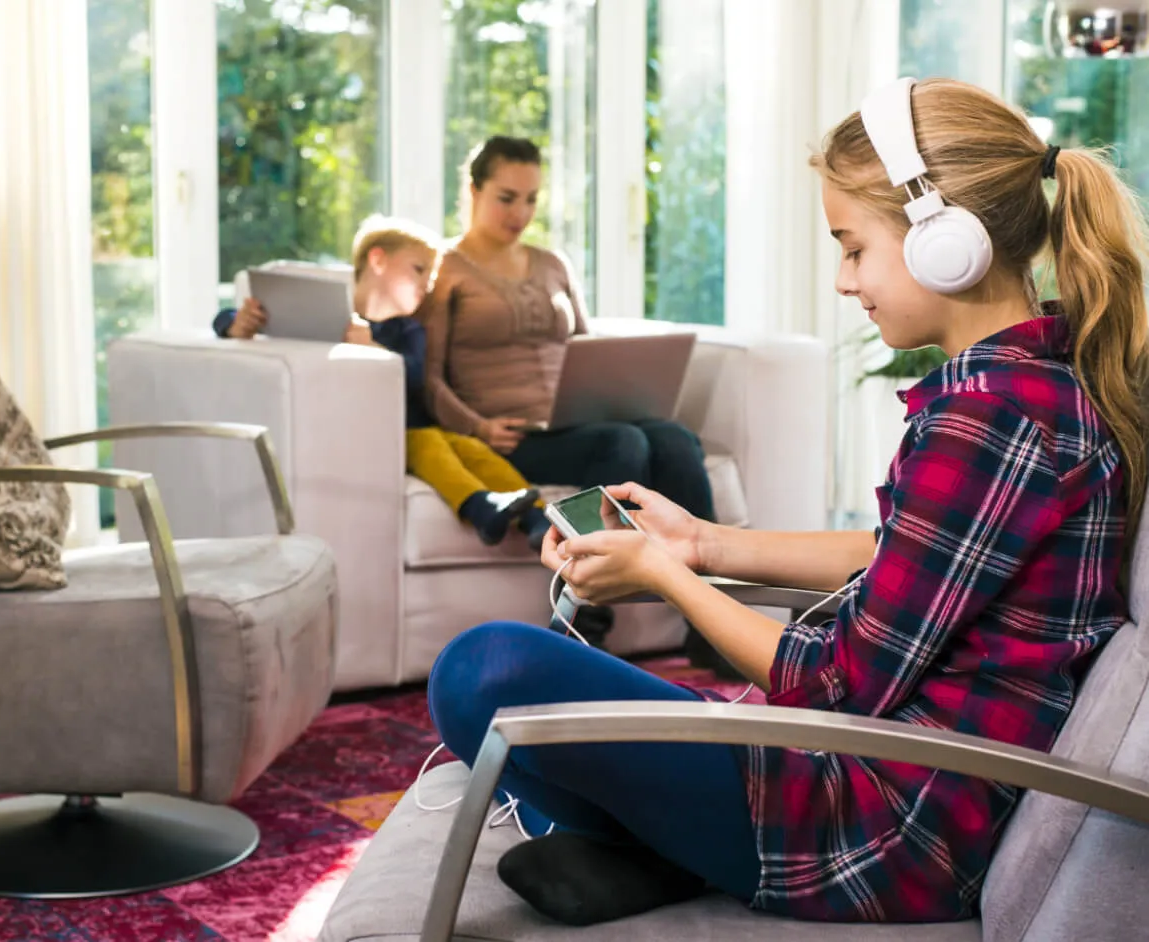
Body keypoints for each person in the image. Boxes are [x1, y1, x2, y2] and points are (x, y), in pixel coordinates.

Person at [425, 78, 1148, 927]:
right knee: (532, 699)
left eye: (852, 247)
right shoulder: (1032, 383)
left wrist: (662, 573)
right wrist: (704, 544)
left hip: (884, 822)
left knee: (485, 671)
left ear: (943, 243)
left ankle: (652, 846)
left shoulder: (993, 418)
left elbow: (833, 681)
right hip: (885, 782)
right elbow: (902, 555)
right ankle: (650, 850)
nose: (844, 280)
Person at [419, 135, 718, 657]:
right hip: (507, 436)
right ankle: (583, 616)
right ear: (473, 190)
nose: (521, 212)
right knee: (621, 447)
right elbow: (429, 377)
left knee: (674, 440)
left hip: (575, 418)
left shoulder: (552, 263)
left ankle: (710, 618)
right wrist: (477, 427)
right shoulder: (444, 270)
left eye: (531, 198)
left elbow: (583, 347)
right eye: (506, 197)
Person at [213, 216, 547, 548]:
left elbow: (415, 377)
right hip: (375, 437)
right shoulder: (327, 314)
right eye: (419, 269)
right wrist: (235, 324)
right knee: (426, 442)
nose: (428, 283)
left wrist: (375, 347)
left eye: (432, 275)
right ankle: (479, 506)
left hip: (416, 432)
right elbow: (230, 317)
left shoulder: (408, 330)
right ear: (378, 260)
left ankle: (537, 518)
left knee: (470, 449)